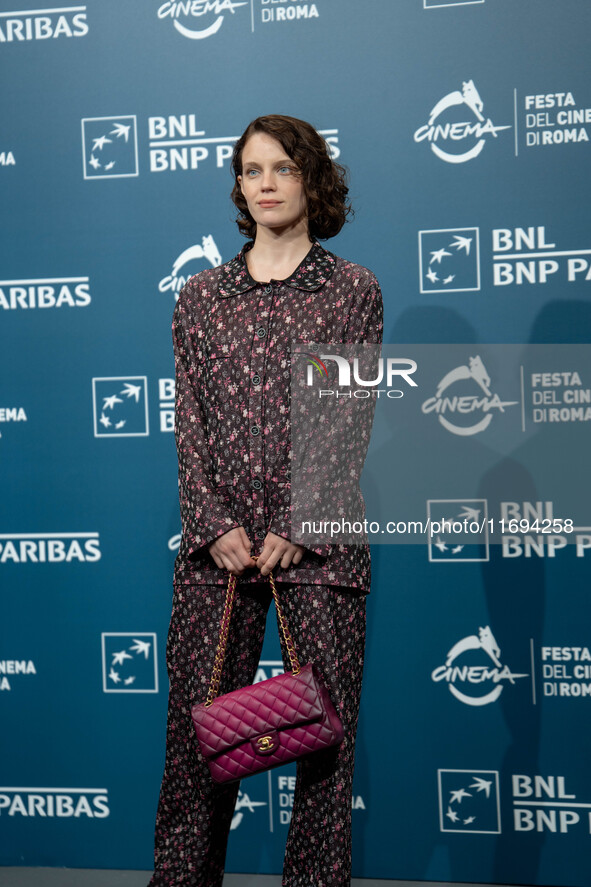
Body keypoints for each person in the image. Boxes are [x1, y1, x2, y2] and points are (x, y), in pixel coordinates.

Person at [148, 114, 383, 887]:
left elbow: (347, 419)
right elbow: (189, 422)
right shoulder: (200, 298)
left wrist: (293, 522)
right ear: (239, 188)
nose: (267, 184)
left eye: (282, 168)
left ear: (312, 181)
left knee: (322, 747)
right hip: (214, 553)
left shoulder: (350, 290)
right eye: (252, 171)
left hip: (317, 549)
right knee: (198, 744)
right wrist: (214, 523)